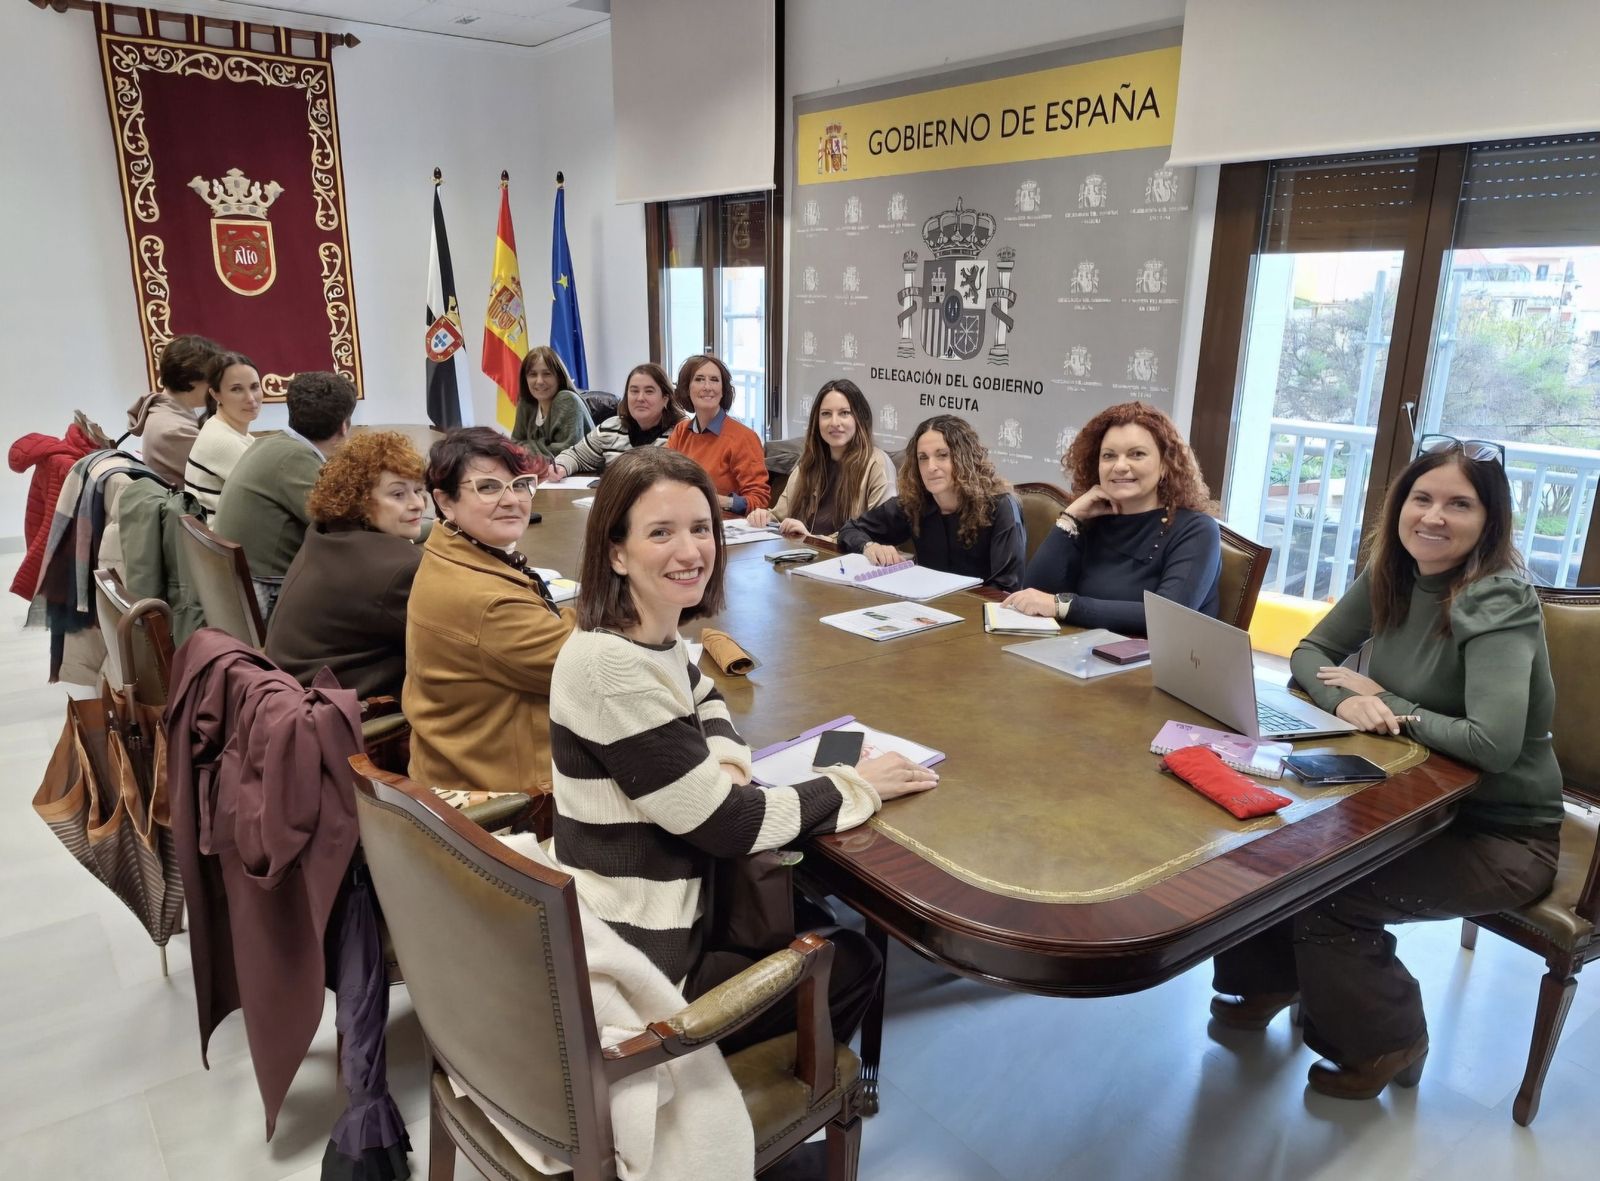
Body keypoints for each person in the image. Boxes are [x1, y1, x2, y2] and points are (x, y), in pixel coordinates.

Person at [547, 446, 938, 1049]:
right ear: (616, 552)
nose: (690, 550)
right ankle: (777, 1131)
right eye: (661, 533)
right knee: (852, 956)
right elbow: (730, 826)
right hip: (650, 952)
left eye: (701, 528)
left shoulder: (647, 633)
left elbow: (704, 691)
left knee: (810, 915)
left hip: (654, 896)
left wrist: (726, 764)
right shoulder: (610, 669)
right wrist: (858, 785)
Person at [1209, 438, 1562, 1100]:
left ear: (1491, 520)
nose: (1433, 516)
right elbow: (1312, 652)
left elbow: (1492, 743)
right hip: (1414, 799)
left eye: (1460, 504)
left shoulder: (1497, 600)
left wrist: (1389, 706)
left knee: (1331, 895)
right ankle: (1269, 978)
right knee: (1271, 846)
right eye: (1422, 498)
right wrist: (1348, 695)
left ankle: (1391, 1040)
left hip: (1501, 833)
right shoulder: (1393, 576)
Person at [404, 427, 576, 800]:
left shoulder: (450, 552)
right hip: (511, 801)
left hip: (459, 762)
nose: (512, 500)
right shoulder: (484, 601)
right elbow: (586, 668)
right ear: (445, 502)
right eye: (488, 487)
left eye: (520, 484)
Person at [1002, 401, 1221, 634]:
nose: (1120, 466)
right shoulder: (1091, 521)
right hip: (1081, 657)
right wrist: (1071, 517)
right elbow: (1035, 595)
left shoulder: (1197, 530)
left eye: (1137, 454)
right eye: (1109, 456)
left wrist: (1064, 606)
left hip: (1150, 666)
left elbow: (1166, 618)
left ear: (1165, 465)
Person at [265, 431, 426, 700]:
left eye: (419, 490)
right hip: (337, 714)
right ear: (359, 499)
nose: (417, 504)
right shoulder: (394, 570)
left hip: (290, 690)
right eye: (398, 494)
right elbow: (453, 639)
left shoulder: (327, 534)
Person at [212, 370, 357, 620]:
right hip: (268, 599)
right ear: (344, 425)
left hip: (241, 593)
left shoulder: (271, 444)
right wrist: (429, 528)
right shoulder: (294, 459)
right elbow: (347, 528)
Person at [836, 414, 1025, 592]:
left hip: (979, 615)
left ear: (965, 459)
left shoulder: (1001, 506)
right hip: (925, 609)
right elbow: (850, 530)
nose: (931, 467)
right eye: (923, 458)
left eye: (942, 455)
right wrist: (870, 547)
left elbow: (1005, 588)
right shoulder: (915, 502)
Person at [745, 378, 894, 539]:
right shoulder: (809, 462)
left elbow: (879, 533)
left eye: (844, 413)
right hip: (803, 557)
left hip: (847, 561)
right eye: (826, 414)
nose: (834, 422)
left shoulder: (877, 464)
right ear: (817, 421)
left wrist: (813, 539)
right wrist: (764, 517)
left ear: (860, 418)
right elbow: (780, 515)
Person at [665, 354, 770, 514]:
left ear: (723, 390)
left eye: (714, 380)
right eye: (699, 379)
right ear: (687, 388)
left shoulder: (743, 438)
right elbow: (662, 477)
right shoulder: (681, 432)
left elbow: (759, 501)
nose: (707, 386)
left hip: (725, 528)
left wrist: (717, 500)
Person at [549, 362, 682, 479]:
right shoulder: (611, 427)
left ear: (665, 399)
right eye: (634, 391)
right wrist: (561, 467)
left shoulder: (680, 434)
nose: (640, 398)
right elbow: (575, 456)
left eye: (649, 391)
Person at [124, 333, 222, 487]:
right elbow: (229, 477)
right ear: (191, 380)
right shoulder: (175, 430)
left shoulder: (164, 410)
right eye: (212, 379)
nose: (216, 386)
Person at [182, 351, 261, 515]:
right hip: (225, 538)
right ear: (215, 394)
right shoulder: (222, 441)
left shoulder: (217, 427)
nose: (251, 398)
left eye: (254, 387)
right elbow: (278, 495)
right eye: (237, 389)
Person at [511, 345, 594, 460]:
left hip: (581, 475)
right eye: (533, 374)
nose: (539, 381)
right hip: (542, 474)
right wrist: (544, 447)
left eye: (547, 374)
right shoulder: (526, 403)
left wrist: (528, 447)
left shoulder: (567, 400)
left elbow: (565, 454)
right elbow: (514, 446)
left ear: (559, 377)